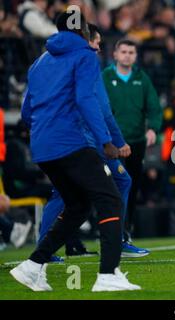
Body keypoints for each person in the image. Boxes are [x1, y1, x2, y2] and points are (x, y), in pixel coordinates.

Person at [10, 11, 140, 292]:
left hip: (42, 147)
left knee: (78, 206)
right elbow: (85, 99)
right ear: (83, 32)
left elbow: (26, 111)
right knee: (110, 200)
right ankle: (108, 274)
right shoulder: (85, 56)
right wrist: (106, 140)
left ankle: (33, 267)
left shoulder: (38, 62)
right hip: (71, 142)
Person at [38, 24, 150, 260]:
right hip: (84, 141)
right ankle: (115, 240)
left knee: (65, 193)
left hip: (51, 139)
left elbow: (31, 103)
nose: (98, 48)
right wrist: (115, 142)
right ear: (85, 41)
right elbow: (102, 109)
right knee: (119, 181)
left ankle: (46, 247)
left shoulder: (47, 61)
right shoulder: (87, 62)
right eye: (96, 42)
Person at [102, 39, 162, 239]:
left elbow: (154, 107)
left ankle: (126, 228)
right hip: (111, 144)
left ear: (135, 56)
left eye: (131, 52)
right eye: (124, 51)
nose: (127, 55)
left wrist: (153, 128)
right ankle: (110, 229)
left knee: (133, 186)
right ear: (116, 54)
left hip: (136, 141)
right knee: (111, 187)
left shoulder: (141, 78)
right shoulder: (105, 77)